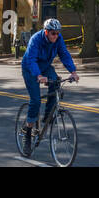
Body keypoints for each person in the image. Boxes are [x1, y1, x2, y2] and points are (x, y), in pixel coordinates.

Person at [20, 18, 78, 148]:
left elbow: (64, 54)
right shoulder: (36, 40)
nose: (56, 36)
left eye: (58, 33)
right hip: (30, 68)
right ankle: (27, 133)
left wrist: (73, 72)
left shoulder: (58, 39)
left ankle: (47, 117)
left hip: (45, 66)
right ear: (46, 32)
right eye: (53, 33)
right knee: (35, 101)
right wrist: (38, 75)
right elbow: (31, 59)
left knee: (56, 83)